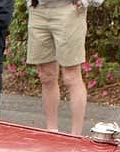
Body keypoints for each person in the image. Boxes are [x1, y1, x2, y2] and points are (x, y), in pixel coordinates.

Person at [26, 0, 87, 134]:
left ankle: (76, 136)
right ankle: (52, 132)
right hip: (38, 10)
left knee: (71, 76)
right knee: (46, 75)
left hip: (68, 9)